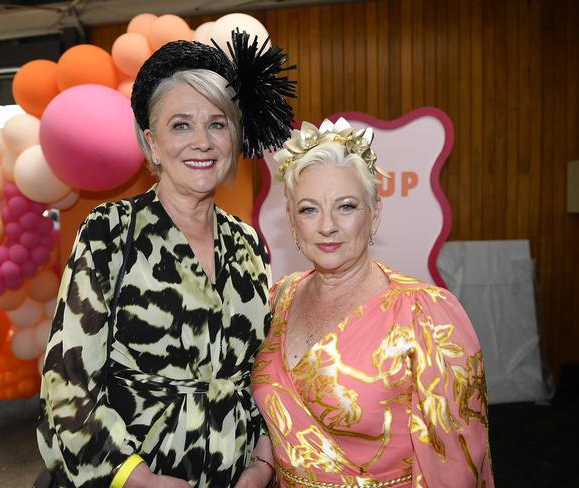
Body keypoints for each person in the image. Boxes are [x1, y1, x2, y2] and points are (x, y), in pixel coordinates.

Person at [37, 32, 295, 488]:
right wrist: (136, 479)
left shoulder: (248, 243)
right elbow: (68, 381)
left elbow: (263, 372)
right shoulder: (112, 230)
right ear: (153, 144)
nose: (202, 141)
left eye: (218, 123)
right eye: (181, 125)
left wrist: (263, 463)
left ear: (235, 138)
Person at [252, 118, 494, 487]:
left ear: (375, 215)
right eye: (309, 209)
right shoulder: (277, 299)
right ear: (291, 221)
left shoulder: (426, 316)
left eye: (346, 207)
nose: (327, 225)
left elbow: (456, 469)